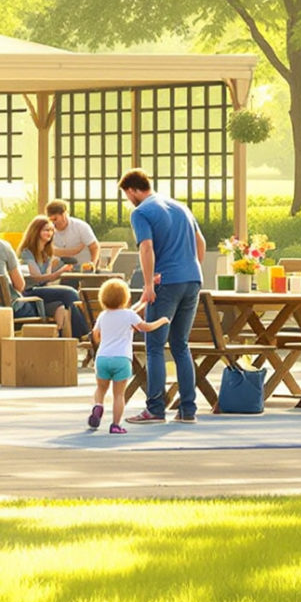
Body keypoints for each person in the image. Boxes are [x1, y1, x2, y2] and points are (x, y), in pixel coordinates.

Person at [122, 170, 205, 424]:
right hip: (192, 280)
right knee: (181, 345)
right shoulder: (181, 208)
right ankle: (187, 410)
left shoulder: (141, 212)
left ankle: (155, 409)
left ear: (133, 190)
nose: (128, 201)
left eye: (127, 195)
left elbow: (145, 247)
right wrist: (190, 269)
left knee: (155, 345)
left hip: (165, 283)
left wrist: (148, 284)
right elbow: (200, 242)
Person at [0, 206, 82, 337]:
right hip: (6, 309)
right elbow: (20, 285)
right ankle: (82, 337)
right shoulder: (2, 247)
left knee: (58, 302)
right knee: (61, 299)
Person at [88, 278, 169, 434]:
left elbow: (96, 335)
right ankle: (115, 425)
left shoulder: (103, 316)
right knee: (119, 395)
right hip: (122, 359)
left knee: (101, 389)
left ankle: (98, 405)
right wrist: (162, 321)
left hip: (103, 358)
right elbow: (145, 327)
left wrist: (142, 302)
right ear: (125, 298)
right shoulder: (129, 315)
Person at [45, 199, 97, 275]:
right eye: (51, 220)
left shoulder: (80, 226)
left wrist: (93, 264)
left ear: (65, 214)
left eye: (56, 219)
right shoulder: (48, 230)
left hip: (83, 269)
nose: (54, 222)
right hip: (61, 270)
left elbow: (94, 247)